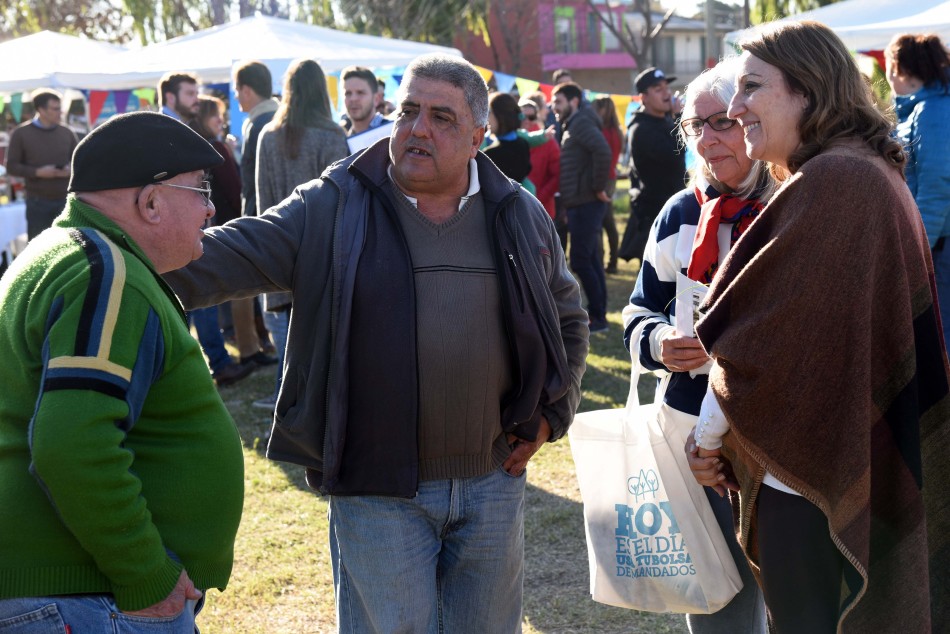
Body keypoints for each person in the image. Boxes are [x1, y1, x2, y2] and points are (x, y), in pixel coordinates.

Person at [165, 53, 588, 632]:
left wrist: (550, 415)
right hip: (376, 489)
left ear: (476, 138)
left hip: (492, 481)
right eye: (409, 110)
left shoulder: (516, 211)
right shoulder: (336, 202)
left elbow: (566, 317)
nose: (417, 129)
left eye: (442, 117)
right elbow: (230, 253)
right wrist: (114, 252)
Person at [685, 21, 950, 632]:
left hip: (813, 478)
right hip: (830, 459)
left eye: (752, 87)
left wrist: (706, 439)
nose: (734, 107)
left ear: (807, 90)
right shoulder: (860, 170)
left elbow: (759, 338)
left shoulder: (837, 180)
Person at [0, 111, 244, 631]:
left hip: (66, 591)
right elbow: (71, 442)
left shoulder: (65, 252)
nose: (211, 207)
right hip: (87, 596)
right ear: (150, 201)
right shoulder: (106, 275)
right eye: (200, 189)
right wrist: (147, 576)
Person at [623, 58, 773, 634]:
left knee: (794, 593)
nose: (707, 140)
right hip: (694, 440)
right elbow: (638, 310)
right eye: (693, 127)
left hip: (782, 439)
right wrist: (661, 342)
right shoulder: (680, 212)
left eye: (720, 122)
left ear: (751, 119)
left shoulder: (795, 205)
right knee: (717, 597)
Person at [253, 58, 349, 411]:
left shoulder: (268, 135)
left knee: (291, 340)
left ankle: (291, 408)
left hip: (281, 248)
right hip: (324, 252)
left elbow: (265, 202)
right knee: (323, 343)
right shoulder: (331, 134)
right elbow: (344, 201)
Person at [159, 72, 254, 387]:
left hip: (185, 223)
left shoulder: (181, 128)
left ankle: (200, 366)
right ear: (170, 97)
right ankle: (202, 367)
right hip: (170, 227)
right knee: (184, 296)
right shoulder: (159, 129)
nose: (196, 100)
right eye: (189, 93)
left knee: (191, 294)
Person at [190, 95, 277, 370]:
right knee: (241, 291)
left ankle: (249, 346)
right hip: (227, 224)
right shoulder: (215, 148)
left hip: (210, 226)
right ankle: (249, 349)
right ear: (205, 118)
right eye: (216, 115)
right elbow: (234, 187)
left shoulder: (198, 147)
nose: (222, 120)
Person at [886, 33, 950, 349]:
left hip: (939, 245)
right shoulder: (929, 107)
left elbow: (937, 185)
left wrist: (919, 249)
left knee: (942, 335)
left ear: (899, 68)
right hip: (937, 240)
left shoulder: (932, 111)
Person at [553, 81, 612, 333]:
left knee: (580, 261)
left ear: (574, 101)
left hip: (586, 201)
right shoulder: (574, 124)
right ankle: (599, 314)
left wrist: (598, 187)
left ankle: (598, 317)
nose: (554, 107)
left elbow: (603, 151)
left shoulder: (581, 123)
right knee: (589, 259)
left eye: (559, 102)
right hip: (579, 201)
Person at [620, 67, 687, 263]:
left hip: (671, 209)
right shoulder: (641, 128)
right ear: (644, 97)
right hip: (655, 214)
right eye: (658, 89)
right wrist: (677, 119)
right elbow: (674, 156)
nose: (666, 93)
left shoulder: (662, 121)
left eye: (667, 87)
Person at [4, 89, 78, 239]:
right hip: (37, 203)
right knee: (39, 249)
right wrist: (38, 172)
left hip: (67, 201)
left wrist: (70, 170)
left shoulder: (67, 133)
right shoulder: (21, 134)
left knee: (70, 247)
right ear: (41, 110)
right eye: (55, 109)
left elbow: (81, 162)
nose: (60, 112)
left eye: (60, 108)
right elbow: (11, 166)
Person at [591, 97, 623, 274]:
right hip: (611, 177)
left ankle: (604, 262)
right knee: (608, 223)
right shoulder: (617, 131)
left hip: (604, 178)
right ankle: (612, 261)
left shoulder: (602, 132)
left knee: (602, 223)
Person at [519, 95, 560, 222]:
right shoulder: (511, 140)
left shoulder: (547, 140)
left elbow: (558, 175)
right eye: (522, 115)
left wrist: (537, 198)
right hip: (517, 207)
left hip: (542, 209)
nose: (527, 120)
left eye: (530, 116)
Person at [484, 92, 532, 189]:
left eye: (489, 112)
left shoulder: (491, 154)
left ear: (501, 116)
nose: (487, 118)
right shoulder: (523, 144)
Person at [340, 65, 388, 136]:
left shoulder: (392, 132)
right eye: (348, 93)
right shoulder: (343, 141)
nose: (353, 99)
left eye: (360, 93)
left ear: (376, 99)